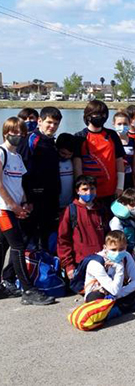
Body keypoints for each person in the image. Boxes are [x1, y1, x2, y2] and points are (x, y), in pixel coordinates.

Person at [0, 117, 55, 304]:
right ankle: (28, 290)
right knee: (18, 247)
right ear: (5, 132)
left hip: (15, 208)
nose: (17, 135)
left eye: (21, 133)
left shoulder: (16, 157)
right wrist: (13, 206)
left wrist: (25, 202)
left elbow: (19, 184)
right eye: (13, 132)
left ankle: (2, 286)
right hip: (3, 210)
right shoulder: (1, 152)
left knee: (3, 246)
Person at [22, 106, 62, 250]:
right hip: (33, 197)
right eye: (49, 122)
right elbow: (22, 170)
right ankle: (20, 264)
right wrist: (26, 198)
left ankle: (44, 262)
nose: (52, 126)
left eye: (56, 124)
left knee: (47, 235)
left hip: (51, 197)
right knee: (28, 238)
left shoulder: (51, 142)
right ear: (40, 121)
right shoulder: (30, 139)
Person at [73, 100, 126, 207]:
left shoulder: (112, 135)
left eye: (103, 114)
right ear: (88, 116)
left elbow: (119, 161)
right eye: (96, 114)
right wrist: (80, 190)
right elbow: (77, 166)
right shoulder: (79, 137)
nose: (101, 117)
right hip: (88, 193)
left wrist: (120, 187)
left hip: (111, 191)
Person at [57, 175, 108, 281]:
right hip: (80, 265)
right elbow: (63, 241)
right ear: (77, 191)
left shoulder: (102, 210)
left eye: (92, 189)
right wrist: (69, 266)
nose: (88, 192)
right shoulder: (70, 211)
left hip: (102, 262)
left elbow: (109, 237)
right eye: (84, 189)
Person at [83, 230, 135, 314]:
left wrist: (120, 293)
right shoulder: (96, 263)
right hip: (100, 294)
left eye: (121, 249)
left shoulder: (126, 256)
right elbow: (114, 291)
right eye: (113, 249)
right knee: (96, 300)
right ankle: (128, 307)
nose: (117, 253)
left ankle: (116, 310)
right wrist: (119, 268)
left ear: (126, 247)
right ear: (105, 248)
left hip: (119, 292)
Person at [112, 111, 135, 189]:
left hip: (129, 179)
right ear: (114, 124)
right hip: (114, 179)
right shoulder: (111, 141)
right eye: (119, 124)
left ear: (129, 124)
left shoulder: (133, 142)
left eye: (125, 124)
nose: (122, 126)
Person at [56, 133, 76, 211]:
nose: (66, 157)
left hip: (70, 205)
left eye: (69, 154)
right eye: (63, 153)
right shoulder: (53, 162)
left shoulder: (74, 162)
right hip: (56, 204)